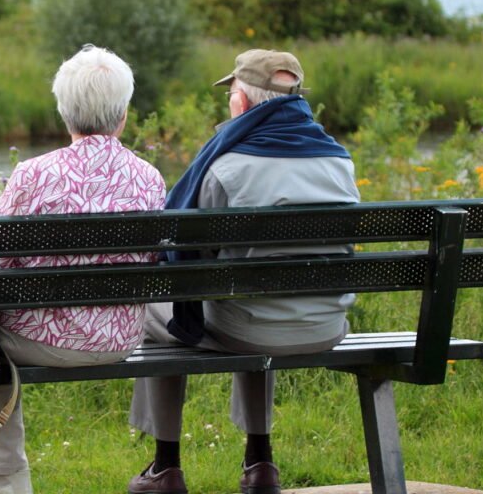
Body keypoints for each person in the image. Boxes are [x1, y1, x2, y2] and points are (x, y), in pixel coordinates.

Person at [127, 49, 360, 494]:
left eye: (231, 91)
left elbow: (188, 254)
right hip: (327, 324)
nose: (229, 100)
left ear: (247, 102)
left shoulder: (227, 166)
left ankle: (165, 466)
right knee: (259, 293)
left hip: (251, 326)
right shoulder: (339, 161)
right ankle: (260, 461)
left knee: (157, 312)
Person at [0, 44, 167, 494]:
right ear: (124, 113)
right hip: (120, 338)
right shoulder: (149, 177)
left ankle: (6, 480)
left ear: (63, 112)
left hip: (40, 342)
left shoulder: (33, 174)